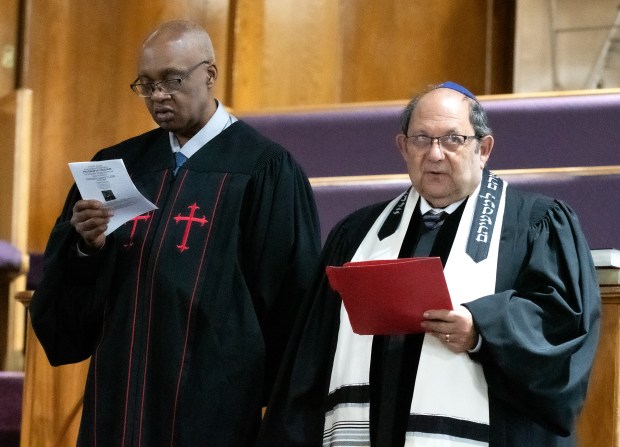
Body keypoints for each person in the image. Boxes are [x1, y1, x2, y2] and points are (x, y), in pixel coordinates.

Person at [256, 82, 601, 446]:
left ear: (483, 149)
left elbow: (563, 326)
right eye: (421, 139)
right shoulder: (358, 235)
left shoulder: (535, 224)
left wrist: (482, 330)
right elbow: (310, 362)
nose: (435, 154)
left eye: (453, 139)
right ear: (403, 148)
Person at [29, 20, 321, 446]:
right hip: (120, 393)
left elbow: (290, 299)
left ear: (210, 74)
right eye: (145, 85)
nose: (159, 96)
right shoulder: (118, 164)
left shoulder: (264, 169)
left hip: (211, 402)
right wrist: (86, 247)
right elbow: (68, 308)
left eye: (172, 80)